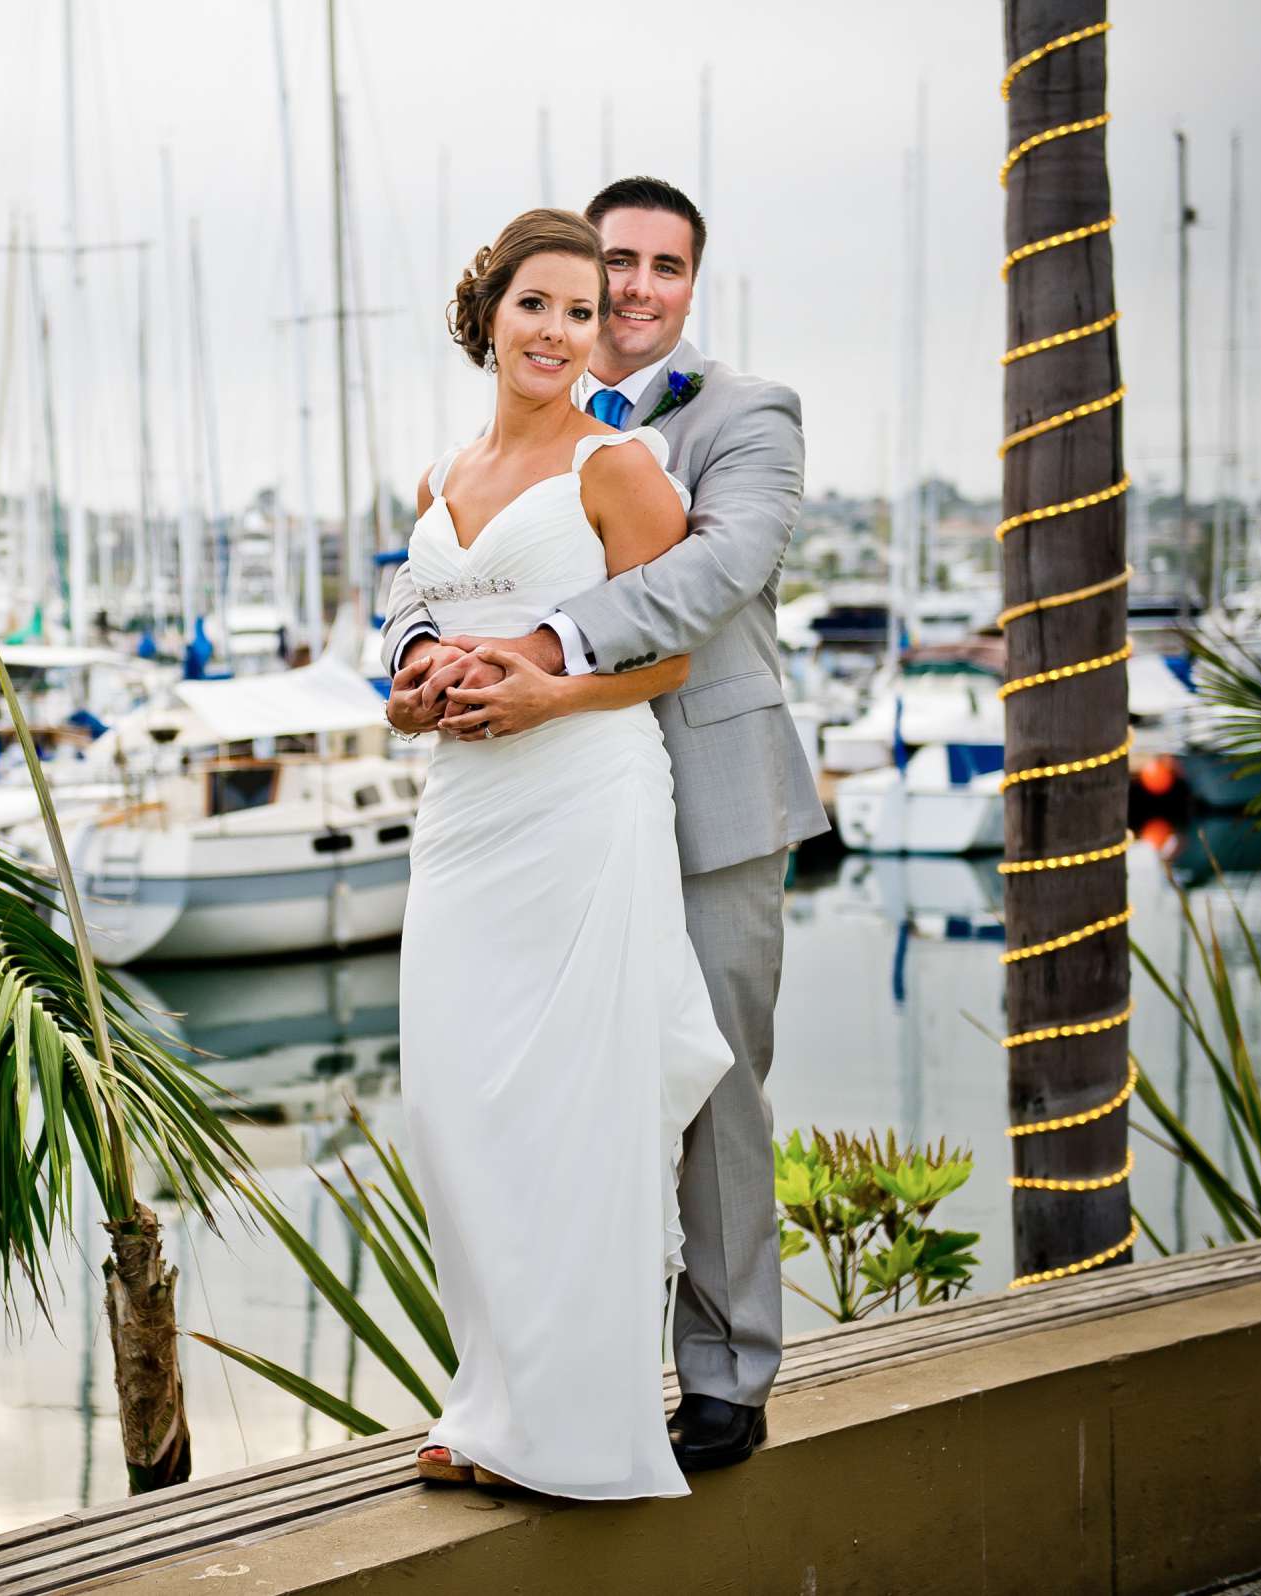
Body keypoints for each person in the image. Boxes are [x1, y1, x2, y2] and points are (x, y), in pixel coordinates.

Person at [386, 176, 828, 1475]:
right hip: (524, 807)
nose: (630, 291)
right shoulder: (497, 436)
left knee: (711, 1082)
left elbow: (714, 572)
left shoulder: (745, 416)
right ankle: (562, 1385)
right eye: (608, 267)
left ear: (692, 285)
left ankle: (727, 1374)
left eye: (658, 270)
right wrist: (429, 657)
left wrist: (544, 645)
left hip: (708, 792)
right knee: (538, 1096)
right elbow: (427, 581)